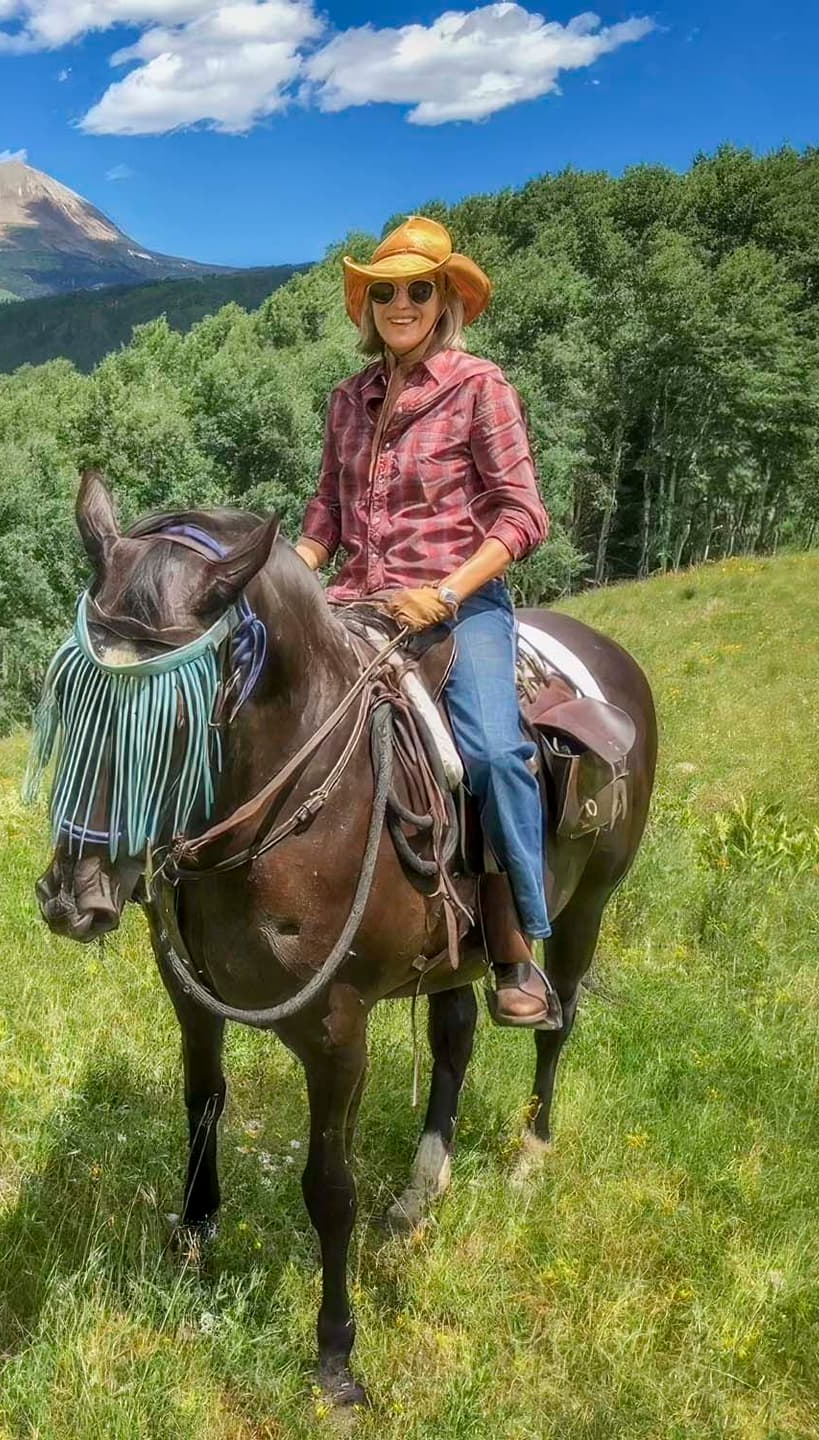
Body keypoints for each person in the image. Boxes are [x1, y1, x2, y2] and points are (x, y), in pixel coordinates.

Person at [295, 215, 556, 1027]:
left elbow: (521, 517)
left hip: (458, 606)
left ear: (444, 300)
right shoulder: (349, 399)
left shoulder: (481, 387)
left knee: (492, 750)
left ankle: (517, 948)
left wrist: (446, 592)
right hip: (355, 601)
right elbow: (325, 517)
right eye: (385, 290)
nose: (400, 303)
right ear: (367, 305)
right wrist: (282, 577)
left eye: (417, 289)